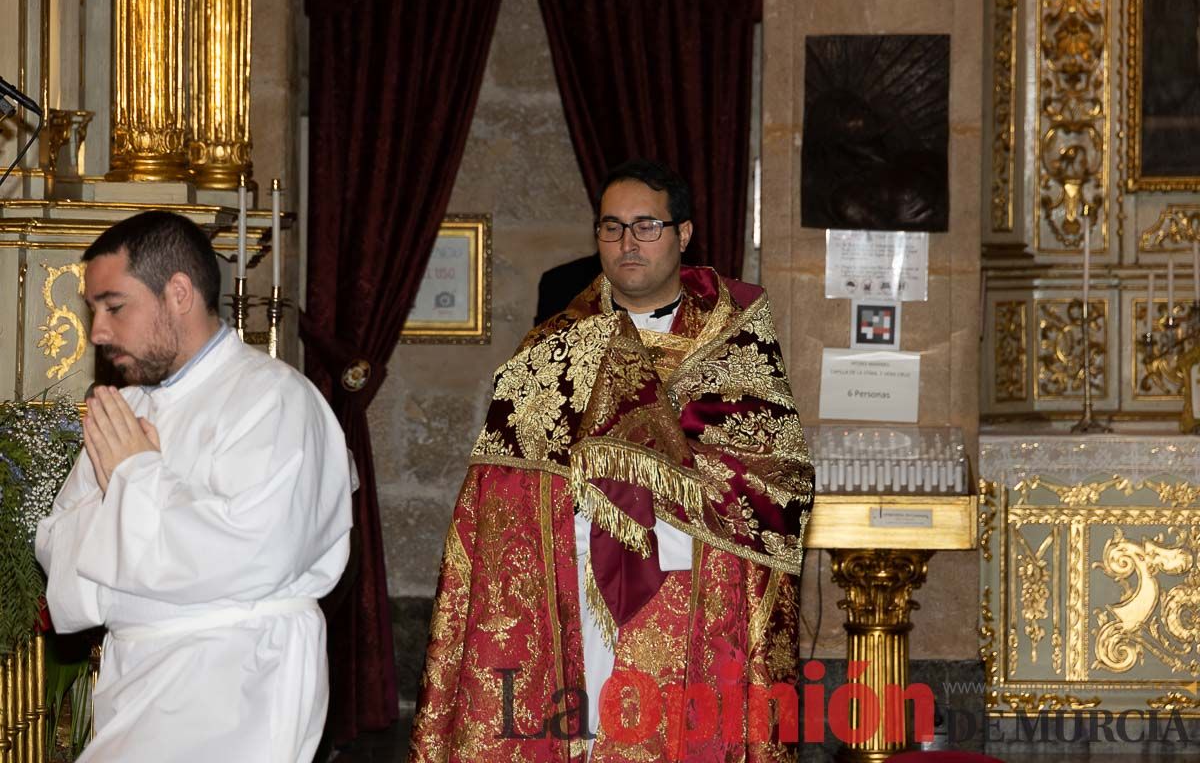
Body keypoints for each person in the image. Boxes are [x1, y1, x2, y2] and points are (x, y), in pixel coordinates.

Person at [410, 159, 812, 761]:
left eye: (646, 226)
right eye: (612, 227)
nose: (628, 242)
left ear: (683, 234)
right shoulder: (555, 343)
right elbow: (497, 485)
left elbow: (773, 476)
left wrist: (659, 479)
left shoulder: (734, 339)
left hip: (688, 590)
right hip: (570, 590)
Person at [35, 210, 353, 762]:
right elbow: (57, 542)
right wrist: (133, 503)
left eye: (114, 306)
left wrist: (135, 480)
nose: (98, 332)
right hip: (135, 677)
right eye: (94, 311)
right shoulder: (127, 408)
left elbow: (254, 553)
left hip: (235, 682)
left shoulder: (275, 401)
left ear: (178, 293)